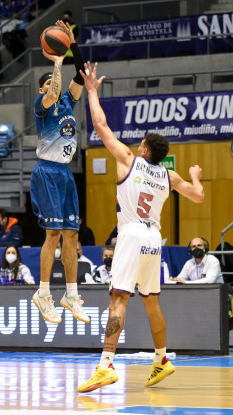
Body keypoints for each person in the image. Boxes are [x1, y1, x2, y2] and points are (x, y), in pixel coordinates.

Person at [77, 62, 205, 393]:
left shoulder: (128, 162)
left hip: (132, 234)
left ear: (145, 149)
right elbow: (198, 196)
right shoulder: (169, 176)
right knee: (152, 302)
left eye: (141, 142)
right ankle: (161, 359)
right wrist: (194, 176)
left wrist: (92, 91)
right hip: (154, 239)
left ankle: (105, 366)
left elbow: (101, 125)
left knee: (117, 301)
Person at [30, 20, 89, 326]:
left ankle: (71, 293)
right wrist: (57, 61)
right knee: (52, 233)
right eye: (50, 82)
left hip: (65, 173)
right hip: (47, 172)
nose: (53, 87)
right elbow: (54, 90)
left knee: (72, 234)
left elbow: (80, 73)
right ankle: (42, 293)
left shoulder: (68, 100)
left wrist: (71, 44)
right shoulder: (42, 103)